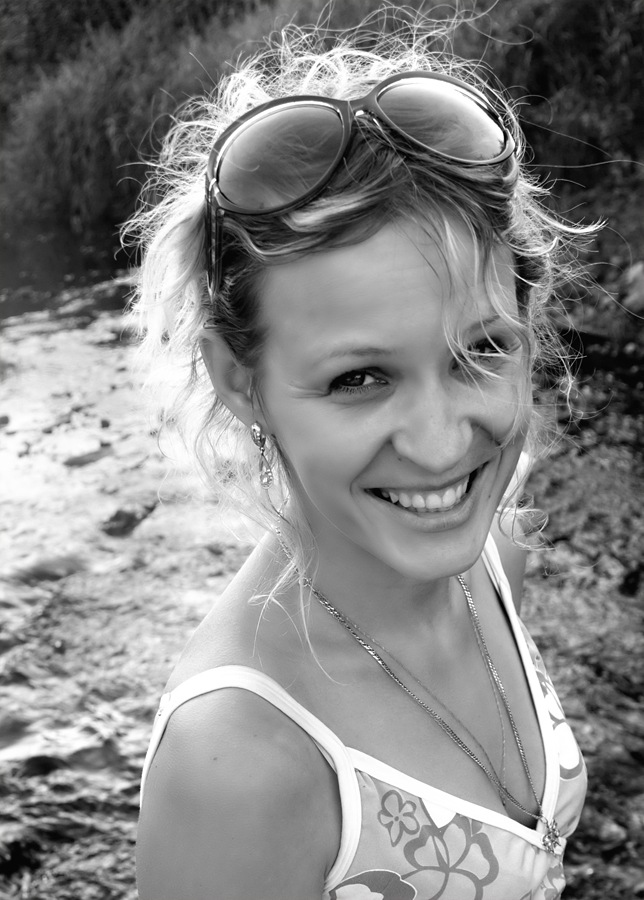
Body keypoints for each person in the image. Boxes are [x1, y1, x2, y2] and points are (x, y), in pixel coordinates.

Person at [127, 13, 588, 900]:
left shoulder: (491, 550)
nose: (442, 444)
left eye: (481, 350)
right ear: (241, 381)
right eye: (359, 378)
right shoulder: (239, 762)